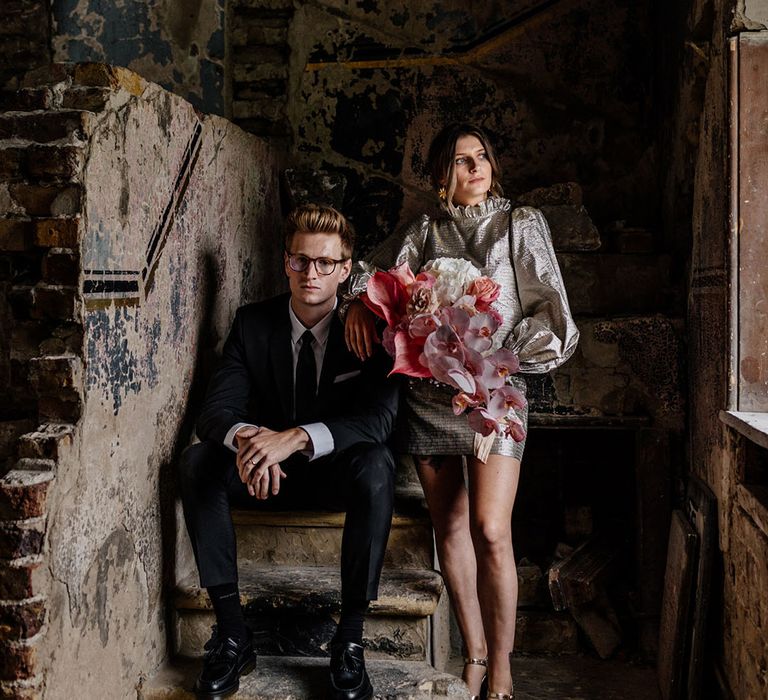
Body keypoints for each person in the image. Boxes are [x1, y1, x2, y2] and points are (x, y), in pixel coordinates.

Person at [343, 123, 579, 700]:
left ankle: (502, 665)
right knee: (449, 527)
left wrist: (493, 359)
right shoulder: (425, 229)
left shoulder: (520, 224)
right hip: (429, 400)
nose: (474, 168)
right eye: (458, 161)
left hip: (496, 393)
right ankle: (472, 650)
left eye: (481, 157)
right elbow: (372, 278)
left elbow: (554, 315)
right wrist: (356, 304)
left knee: (491, 529)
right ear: (439, 176)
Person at [180, 203, 399, 700]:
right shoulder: (252, 324)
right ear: (286, 262)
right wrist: (252, 443)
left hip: (333, 475)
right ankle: (234, 634)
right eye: (300, 260)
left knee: (378, 466)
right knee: (197, 462)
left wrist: (296, 437)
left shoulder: (371, 332)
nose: (311, 273)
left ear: (346, 269)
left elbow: (378, 421)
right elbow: (214, 412)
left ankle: (349, 640)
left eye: (325, 263)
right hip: (265, 476)